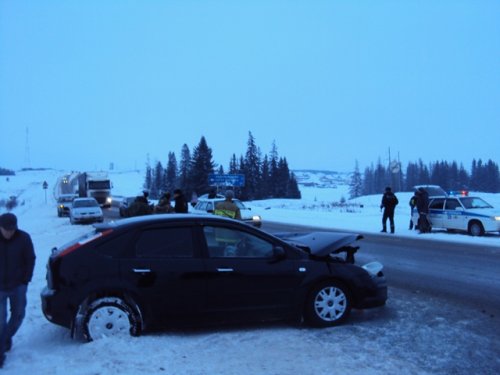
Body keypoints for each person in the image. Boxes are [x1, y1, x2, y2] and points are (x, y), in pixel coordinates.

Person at [0, 213, 36, 368]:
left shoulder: (24, 238)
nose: (9, 232)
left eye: (12, 229)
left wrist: (25, 280)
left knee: (19, 315)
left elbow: (30, 259)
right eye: (6, 229)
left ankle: (5, 338)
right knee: (0, 322)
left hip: (18, 286)